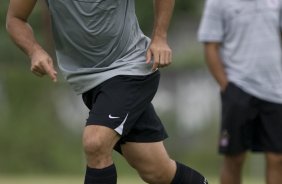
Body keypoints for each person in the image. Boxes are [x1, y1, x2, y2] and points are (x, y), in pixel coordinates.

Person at [6, 0, 208, 183]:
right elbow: (15, 19)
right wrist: (34, 51)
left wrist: (160, 37)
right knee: (157, 171)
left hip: (131, 68)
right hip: (90, 82)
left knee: (95, 142)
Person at [198, 0, 282, 184]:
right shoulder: (217, 3)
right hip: (238, 88)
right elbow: (210, 47)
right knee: (234, 158)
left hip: (275, 91)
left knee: (277, 158)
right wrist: (227, 88)